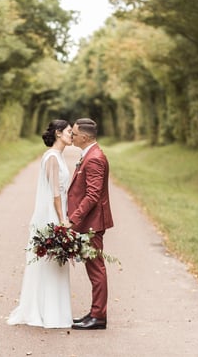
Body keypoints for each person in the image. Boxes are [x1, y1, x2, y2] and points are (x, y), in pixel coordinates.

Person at [7, 119, 73, 328]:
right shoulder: (52, 158)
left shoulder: (59, 156)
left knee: (55, 262)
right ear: (58, 133)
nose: (72, 135)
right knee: (51, 261)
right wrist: (62, 219)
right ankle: (45, 311)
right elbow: (55, 193)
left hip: (58, 212)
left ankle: (54, 310)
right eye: (70, 131)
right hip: (52, 215)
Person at [68, 118, 114, 330]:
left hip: (92, 223)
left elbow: (93, 195)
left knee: (96, 269)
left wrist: (73, 219)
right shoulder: (89, 154)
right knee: (93, 267)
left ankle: (98, 317)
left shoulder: (94, 158)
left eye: (75, 134)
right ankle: (94, 313)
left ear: (85, 137)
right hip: (89, 222)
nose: (72, 137)